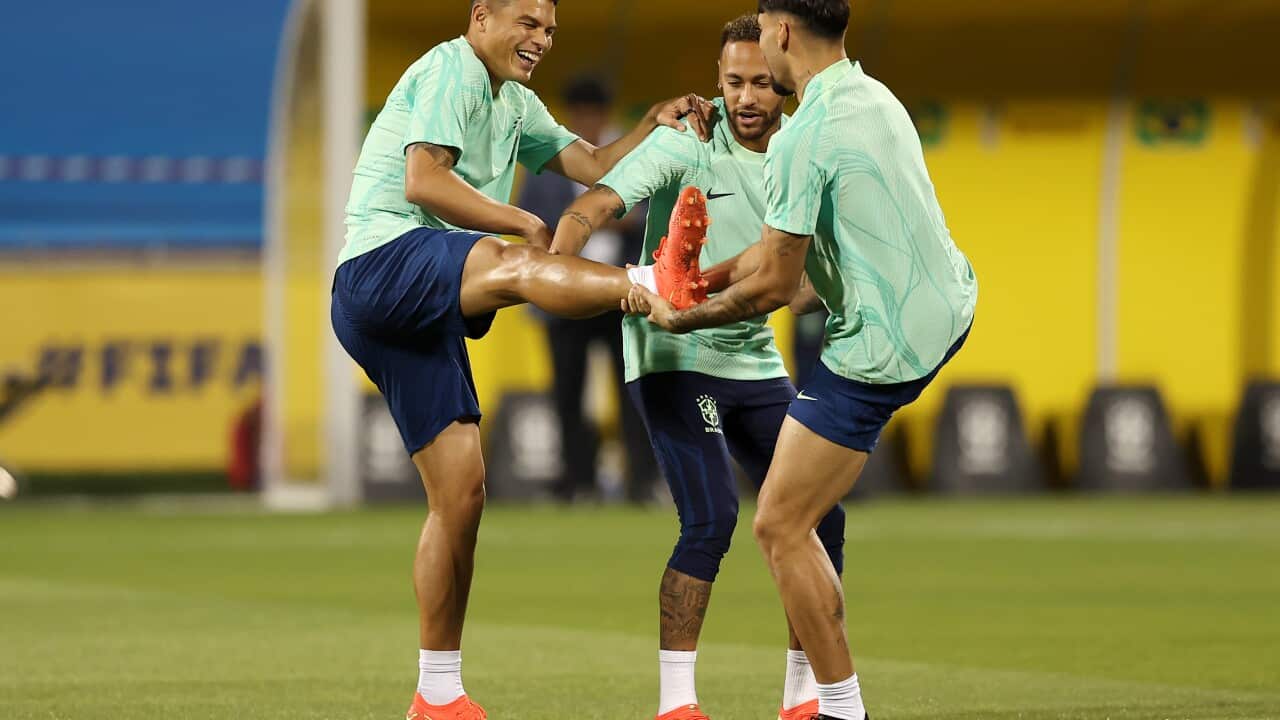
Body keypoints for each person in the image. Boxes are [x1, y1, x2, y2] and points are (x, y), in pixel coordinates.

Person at [329, 2, 712, 718]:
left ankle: (437, 695)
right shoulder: (454, 68)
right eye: (527, 23)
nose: (539, 39)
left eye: (549, 31)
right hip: (382, 263)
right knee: (514, 263)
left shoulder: (518, 104)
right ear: (481, 17)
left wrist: (647, 127)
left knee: (462, 493)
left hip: (413, 306)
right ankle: (649, 281)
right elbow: (423, 181)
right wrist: (521, 221)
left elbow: (593, 164)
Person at [624, 2, 979, 718]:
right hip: (952, 305)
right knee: (812, 517)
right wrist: (700, 277)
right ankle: (801, 698)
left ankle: (839, 710)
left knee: (779, 525)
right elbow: (772, 250)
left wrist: (680, 311)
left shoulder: (800, 139)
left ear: (781, 33)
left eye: (761, 34)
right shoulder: (873, 96)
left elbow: (780, 288)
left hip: (880, 347)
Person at [551, 15, 844, 720]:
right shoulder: (686, 146)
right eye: (732, 82)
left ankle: (802, 692)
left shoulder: (803, 159)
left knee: (818, 513)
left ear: (784, 84)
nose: (746, 97)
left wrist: (780, 295)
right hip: (672, 354)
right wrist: (562, 258)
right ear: (716, 85)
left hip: (753, 358)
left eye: (760, 83)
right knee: (711, 517)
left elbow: (807, 283)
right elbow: (595, 205)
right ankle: (676, 706)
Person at [516, 76, 657, 504]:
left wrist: (581, 219)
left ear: (604, 115)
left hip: (623, 292)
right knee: (566, 390)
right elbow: (531, 220)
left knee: (632, 389)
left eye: (592, 113)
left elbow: (651, 214)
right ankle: (575, 479)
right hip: (564, 291)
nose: (586, 121)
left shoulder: (634, 156)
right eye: (579, 114)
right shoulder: (552, 160)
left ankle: (640, 480)